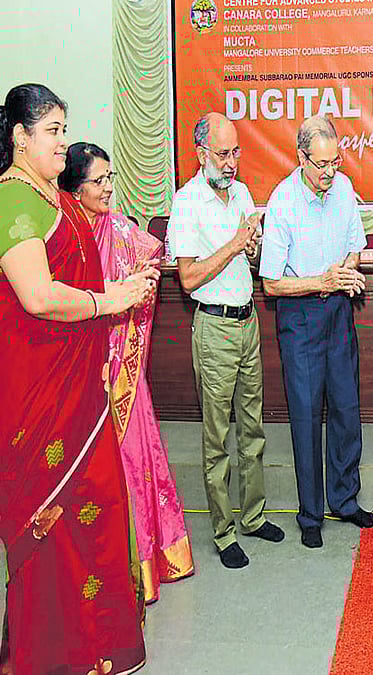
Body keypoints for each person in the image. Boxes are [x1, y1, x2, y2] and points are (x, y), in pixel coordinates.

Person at [0, 83, 154, 674]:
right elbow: (37, 297)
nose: (64, 143)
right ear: (20, 136)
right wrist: (107, 300)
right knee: (50, 528)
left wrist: (120, 287)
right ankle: (50, 656)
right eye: (53, 132)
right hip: (35, 395)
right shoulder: (14, 201)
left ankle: (97, 648)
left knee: (98, 507)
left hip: (78, 391)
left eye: (65, 129)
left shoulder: (55, 197)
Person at [59, 142, 195, 601]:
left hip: (123, 375)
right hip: (77, 373)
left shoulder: (121, 231)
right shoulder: (64, 237)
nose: (109, 189)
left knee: (134, 463)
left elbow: (150, 265)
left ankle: (145, 566)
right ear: (75, 189)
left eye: (111, 178)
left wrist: (138, 285)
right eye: (99, 181)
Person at [168, 112, 284, 570]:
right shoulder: (187, 203)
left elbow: (245, 256)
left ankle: (253, 515)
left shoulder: (241, 194)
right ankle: (223, 531)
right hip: (213, 327)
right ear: (201, 154)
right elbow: (189, 277)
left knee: (252, 427)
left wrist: (250, 249)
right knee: (218, 436)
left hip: (247, 321)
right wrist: (236, 244)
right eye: (223, 153)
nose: (233, 161)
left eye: (236, 151)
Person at [260, 116, 373, 549]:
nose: (330, 171)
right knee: (307, 416)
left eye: (335, 161)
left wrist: (344, 272)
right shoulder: (283, 202)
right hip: (300, 316)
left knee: (347, 408)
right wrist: (321, 282)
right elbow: (271, 282)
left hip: (339, 312)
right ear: (301, 157)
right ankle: (310, 513)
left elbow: (354, 244)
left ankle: (345, 499)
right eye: (321, 164)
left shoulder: (343, 189)